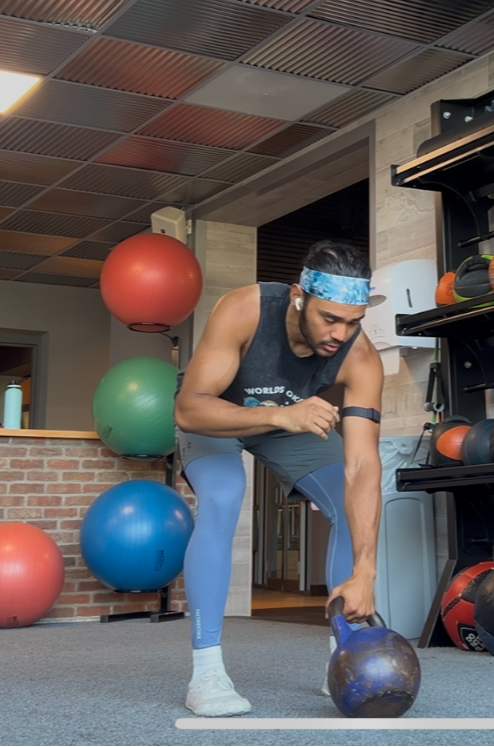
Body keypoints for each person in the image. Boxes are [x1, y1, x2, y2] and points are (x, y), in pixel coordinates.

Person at [174, 240, 384, 717]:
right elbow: (190, 409)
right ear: (298, 296)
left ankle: (344, 655)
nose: (340, 333)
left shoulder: (360, 356)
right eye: (329, 318)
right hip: (218, 416)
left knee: (349, 499)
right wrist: (285, 414)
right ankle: (206, 671)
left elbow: (363, 465)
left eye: (352, 321)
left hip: (287, 422)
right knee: (225, 496)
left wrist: (365, 570)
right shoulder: (244, 310)